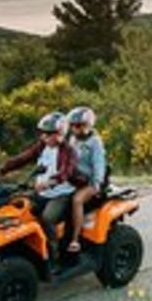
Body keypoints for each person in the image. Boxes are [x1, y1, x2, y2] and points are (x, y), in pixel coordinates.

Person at [0, 111, 79, 268]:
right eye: (42, 134)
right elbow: (22, 158)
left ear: (60, 133)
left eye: (48, 134)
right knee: (16, 208)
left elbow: (66, 172)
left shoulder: (68, 151)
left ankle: (55, 256)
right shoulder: (42, 147)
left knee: (47, 218)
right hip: (41, 192)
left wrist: (50, 182)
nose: (44, 137)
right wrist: (1, 170)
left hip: (60, 194)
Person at [65, 106, 107, 255]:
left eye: (78, 125)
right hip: (74, 179)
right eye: (72, 125)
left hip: (90, 182)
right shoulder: (72, 140)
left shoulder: (94, 142)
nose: (75, 128)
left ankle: (75, 240)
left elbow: (99, 165)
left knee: (77, 200)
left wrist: (96, 184)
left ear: (88, 125)